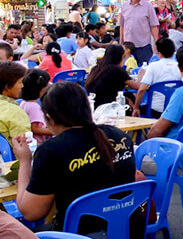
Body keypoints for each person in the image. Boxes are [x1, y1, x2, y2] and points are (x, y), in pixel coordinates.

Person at [11, 81, 138, 234]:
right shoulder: (119, 136)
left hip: (76, 232)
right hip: (124, 228)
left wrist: (25, 161)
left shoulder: (52, 150)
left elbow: (31, 212)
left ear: (49, 118)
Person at [132, 37, 182, 118]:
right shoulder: (180, 67)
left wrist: (136, 107)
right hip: (174, 110)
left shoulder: (153, 66)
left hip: (155, 110)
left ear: (159, 53)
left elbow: (141, 90)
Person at [119, 0, 159, 65]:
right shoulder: (125, 6)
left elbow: (154, 26)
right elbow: (122, 25)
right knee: (128, 69)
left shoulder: (148, 6)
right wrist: (121, 41)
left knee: (144, 69)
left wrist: (156, 43)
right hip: (128, 46)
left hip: (143, 46)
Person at [19, 69, 52, 144]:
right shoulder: (34, 107)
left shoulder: (24, 102)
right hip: (38, 143)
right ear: (42, 89)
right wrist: (53, 131)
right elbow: (35, 128)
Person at [0, 61, 31, 142]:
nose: (22, 86)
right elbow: (23, 145)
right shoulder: (14, 113)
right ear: (7, 86)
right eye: (19, 83)